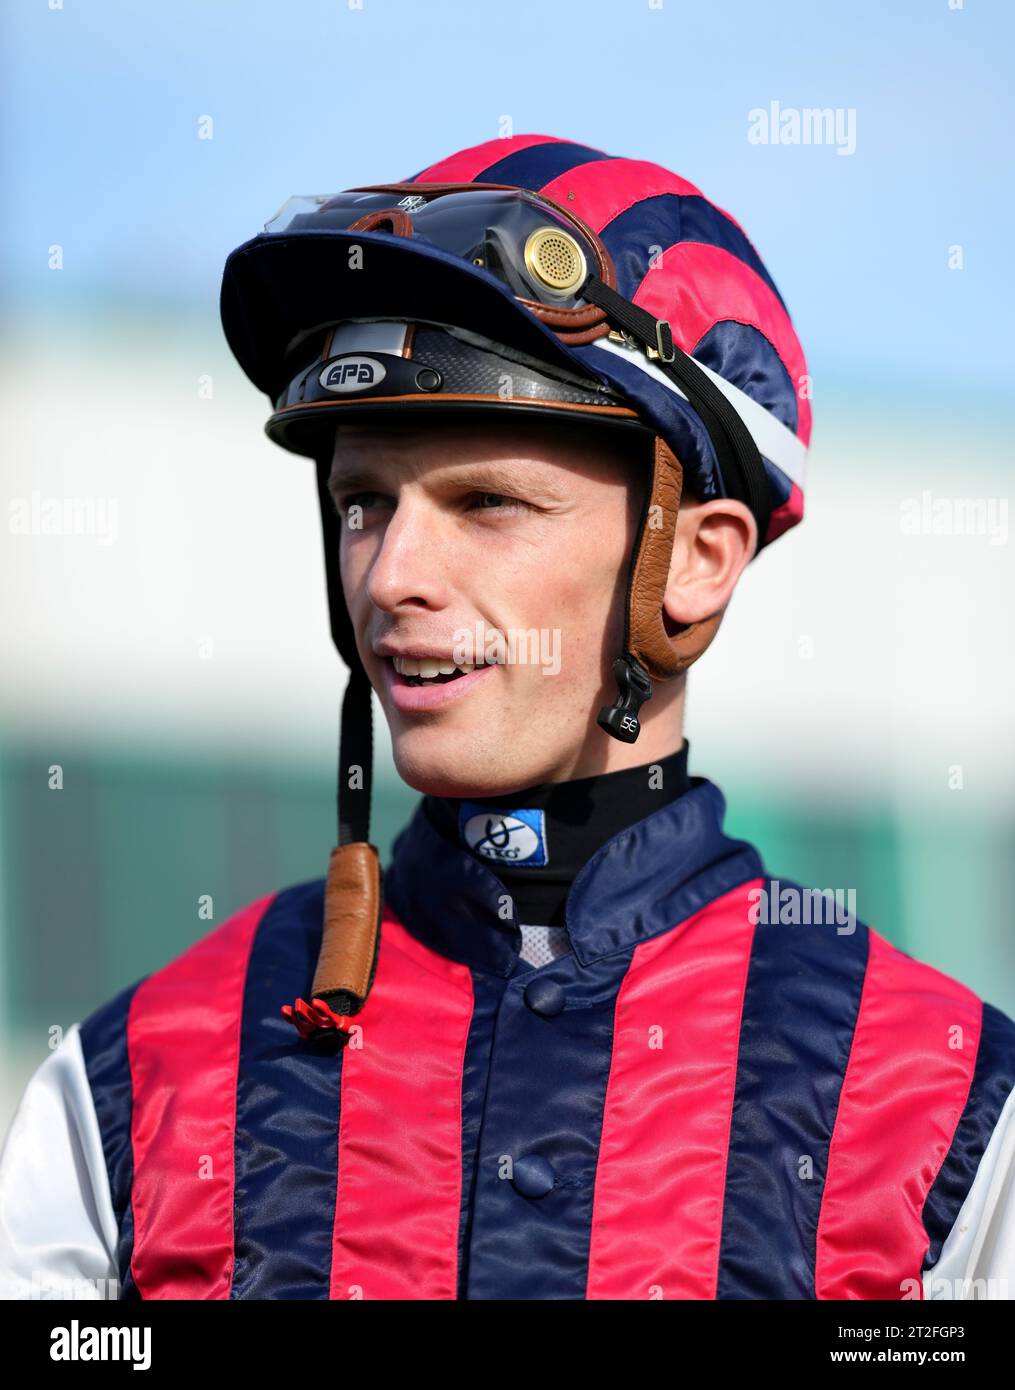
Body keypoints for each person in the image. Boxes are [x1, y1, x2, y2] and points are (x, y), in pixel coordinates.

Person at [2, 133, 1013, 1302]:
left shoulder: (949, 1110)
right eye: (363, 503)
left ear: (695, 558)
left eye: (486, 502)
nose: (390, 578)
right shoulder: (127, 1079)